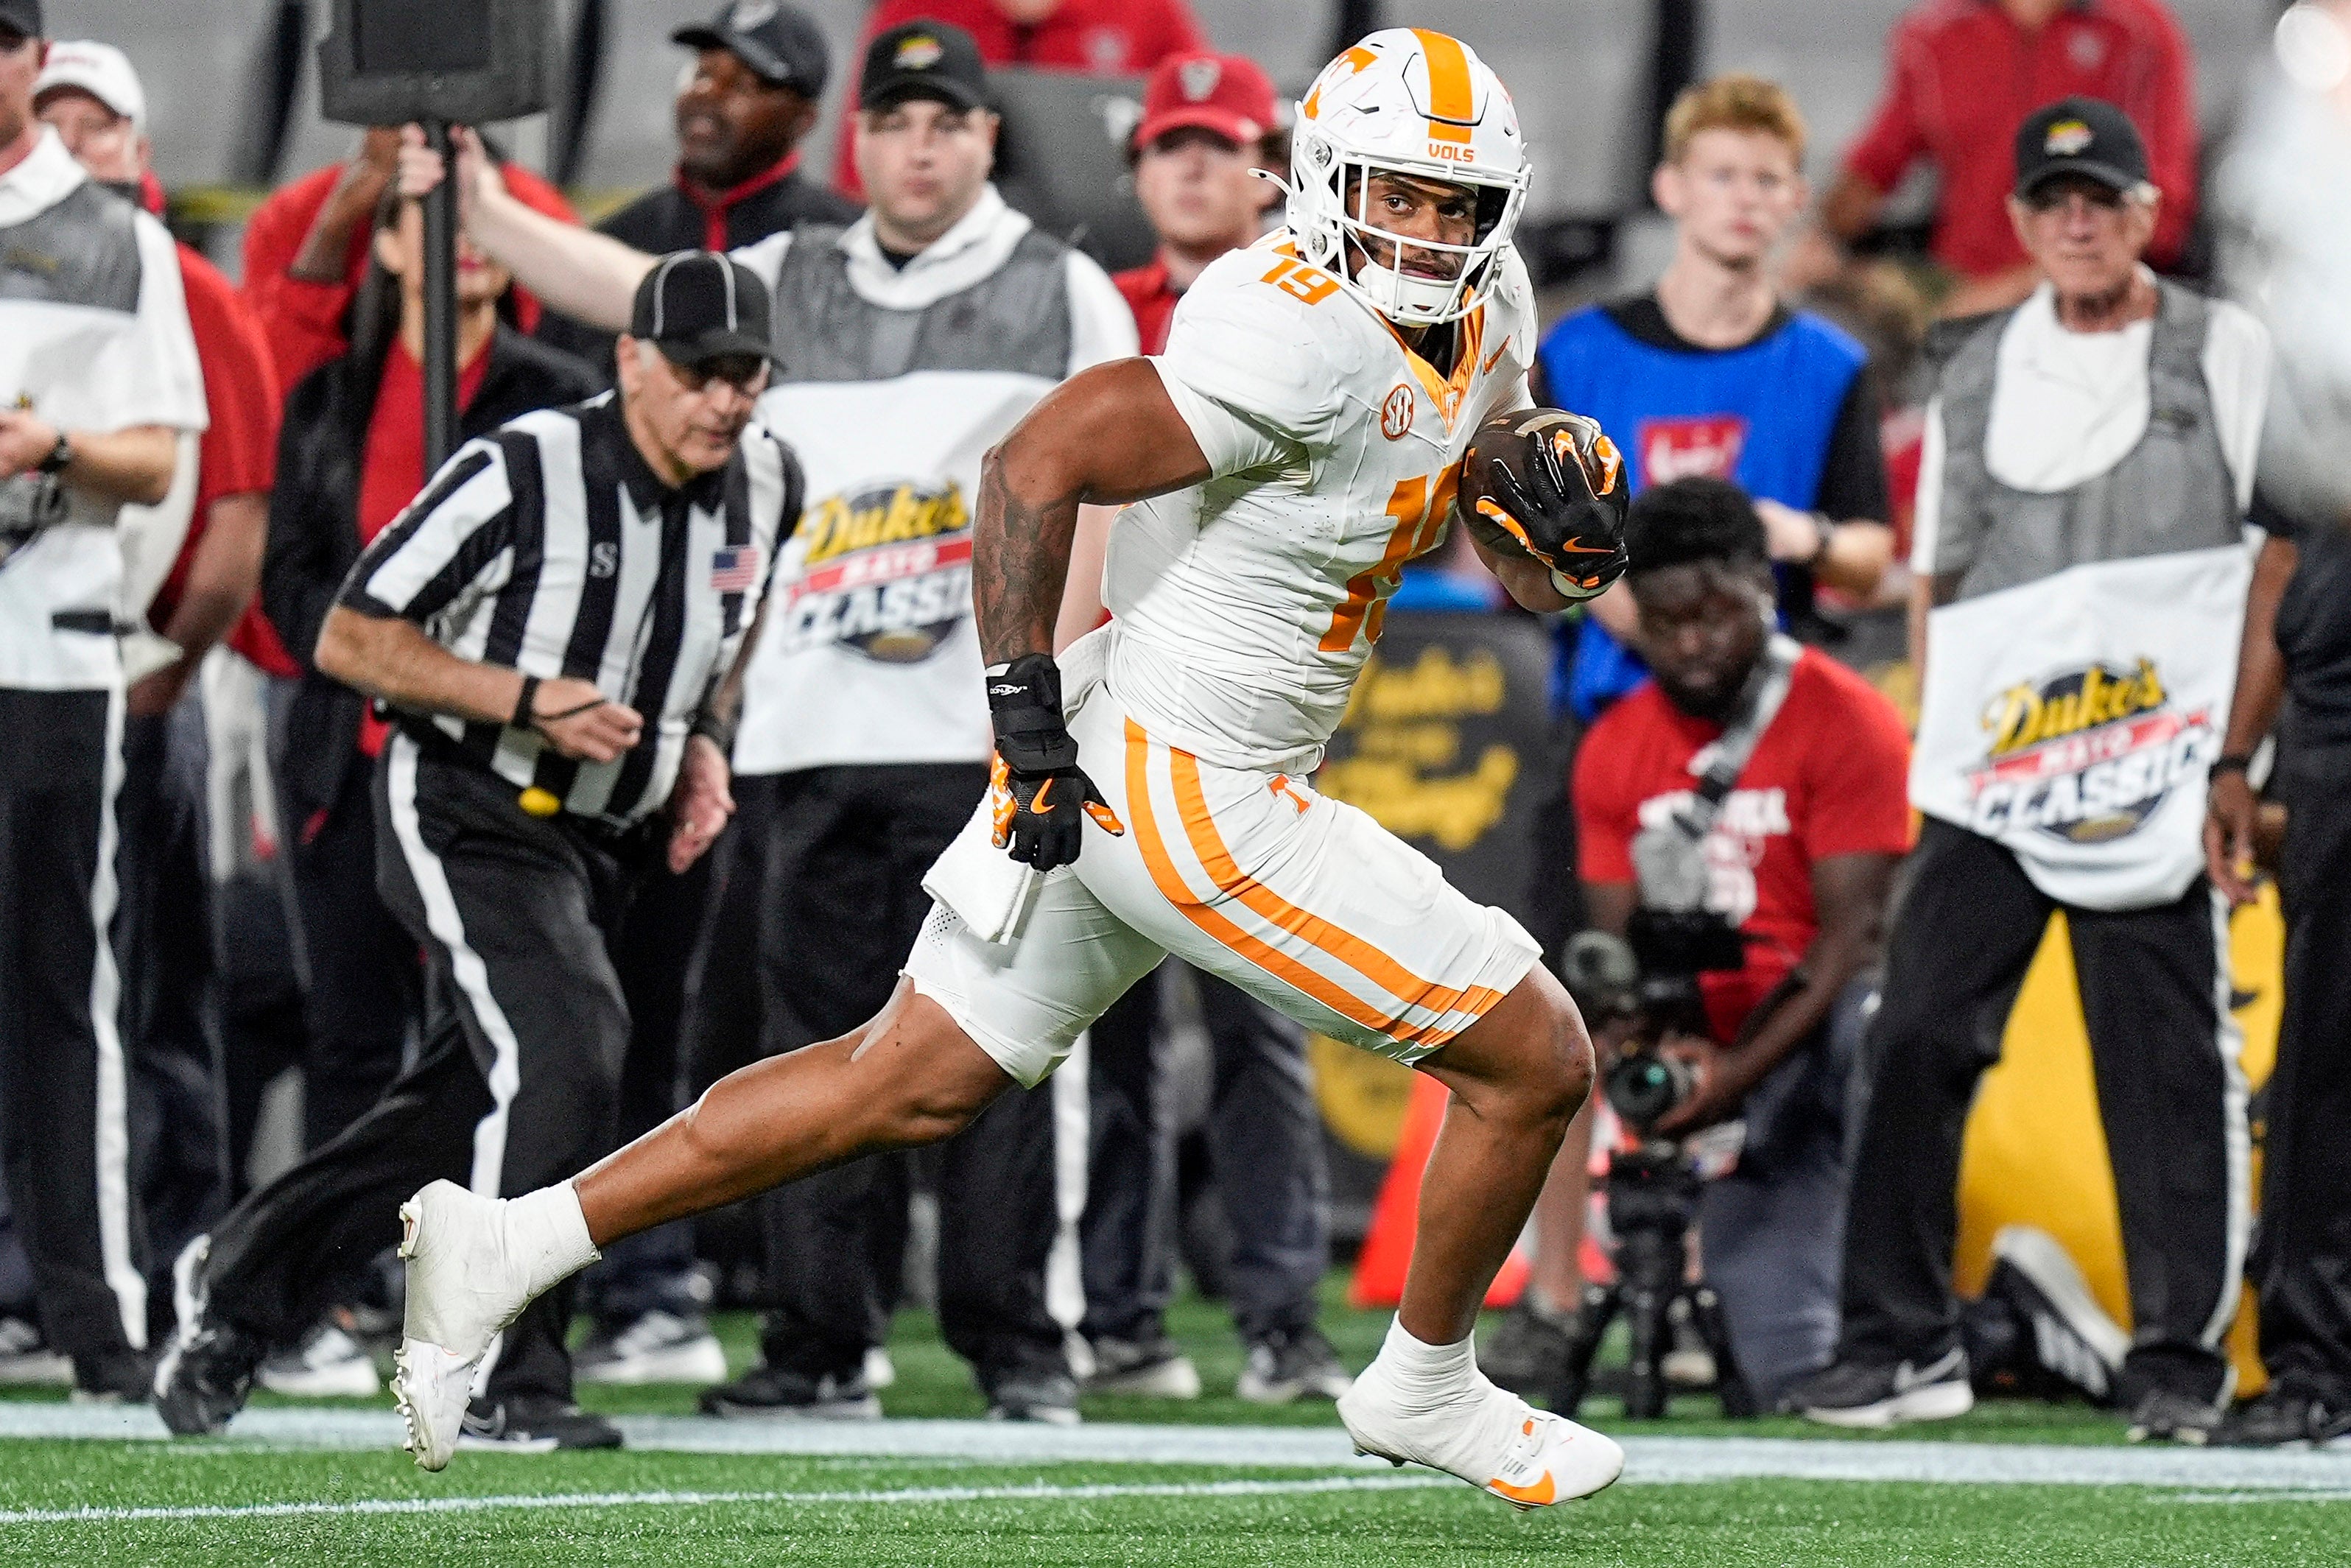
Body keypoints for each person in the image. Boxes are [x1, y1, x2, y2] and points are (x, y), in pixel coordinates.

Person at [393, 29, 1631, 1513]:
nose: (1428, 233)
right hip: (1188, 780)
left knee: (900, 1078)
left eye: (1456, 202)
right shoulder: (1288, 331)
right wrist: (1022, 718)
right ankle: (1422, 1381)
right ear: (1323, 181)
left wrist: (1551, 518)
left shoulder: (1486, 296)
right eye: (1399, 197)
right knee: (1536, 1054)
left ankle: (508, 1240)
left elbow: (1485, 483)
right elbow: (1033, 464)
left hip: (1176, 755)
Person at [400, 19, 1140, 1424]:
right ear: (857, 141)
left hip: (985, 732)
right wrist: (483, 209)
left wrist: (1049, 691)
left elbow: (1106, 481)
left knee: (1009, 1041)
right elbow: (632, 296)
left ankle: (1019, 1345)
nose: (916, 148)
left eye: (944, 123)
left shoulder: (1063, 286)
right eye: (893, 122)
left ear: (988, 140)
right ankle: (818, 1341)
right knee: (813, 1055)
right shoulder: (791, 272)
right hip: (807, 731)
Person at [155, 253, 798, 1449]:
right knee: (569, 1045)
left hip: (611, 834)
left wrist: (705, 739)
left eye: (746, 374)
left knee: (464, 1104)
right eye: (699, 372)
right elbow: (351, 633)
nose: (723, 399)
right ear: (631, 361)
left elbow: (735, 618)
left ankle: (239, 1279)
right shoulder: (525, 467)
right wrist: (523, 697)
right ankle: (502, 1368)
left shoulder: (769, 476)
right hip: (468, 802)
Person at [1788, 98, 2269, 1444]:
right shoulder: (1976, 361)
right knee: (1913, 1034)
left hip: (2160, 764)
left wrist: (2239, 753)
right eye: (2053, 201)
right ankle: (1897, 1343)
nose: (2077, 222)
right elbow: (1938, 574)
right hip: (1991, 769)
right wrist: (1941, 737)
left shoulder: (2224, 348)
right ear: (2013, 220)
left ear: (2146, 212)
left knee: (2166, 1068)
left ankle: (2176, 1361)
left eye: (2102, 199)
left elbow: (2272, 552)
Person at [219, 183, 605, 1396]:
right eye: (428, 221)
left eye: (481, 226)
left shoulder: (554, 395)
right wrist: (378, 664)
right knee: (349, 1027)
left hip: (498, 757)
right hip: (346, 749)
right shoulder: (329, 393)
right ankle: (334, 1291)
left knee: (496, 1034)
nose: (459, 245)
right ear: (385, 245)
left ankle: (484, 1285)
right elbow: (291, 574)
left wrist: (470, 681)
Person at [1076, 49, 1349, 1407]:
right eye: (1167, 145)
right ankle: (1120, 1315)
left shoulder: (1318, 309)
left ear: (1271, 171)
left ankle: (1281, 1317)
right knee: (1106, 1023)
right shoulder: (1093, 307)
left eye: (1218, 145)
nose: (1190, 169)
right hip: (1113, 693)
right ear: (1136, 167)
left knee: (1263, 1015)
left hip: (1247, 707)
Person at [32, 37, 284, 1361]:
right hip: (47, 666)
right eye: (56, 119)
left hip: (133, 673)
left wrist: (167, 669)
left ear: (140, 150)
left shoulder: (181, 285)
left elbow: (234, 509)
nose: (76, 145)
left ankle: (170, 1256)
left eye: (100, 125)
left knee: (150, 987)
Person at [1567, 478, 1910, 1410]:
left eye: (1714, 614)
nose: (1690, 642)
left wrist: (1731, 1079)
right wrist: (1647, 1055)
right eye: (1666, 621)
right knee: (1779, 1370)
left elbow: (1849, 946)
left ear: (1764, 586)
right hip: (1710, 1041)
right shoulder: (1613, 746)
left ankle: (1924, 1302)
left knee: (1872, 1022)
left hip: (1809, 1042)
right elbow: (1620, 955)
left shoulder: (1848, 717)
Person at [0, 0, 206, 1401]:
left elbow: (160, 457)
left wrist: (47, 441)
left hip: (48, 649)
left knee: (61, 988)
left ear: (33, 58)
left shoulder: (116, 236)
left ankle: (98, 1314)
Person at [2205, 7, 2351, 1447]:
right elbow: (2284, 542)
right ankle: (2312, 1353)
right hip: (2339, 705)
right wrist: (2233, 751)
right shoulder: (2315, 216)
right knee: (2326, 1042)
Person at [1787, 0, 2198, 317]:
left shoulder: (2138, 33)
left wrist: (2017, 288)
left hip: (2091, 292)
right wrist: (1818, 239)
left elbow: (2161, 214)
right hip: (1958, 283)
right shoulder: (1934, 34)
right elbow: (1874, 167)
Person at [540, 0, 860, 377]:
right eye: (701, 73)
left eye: (741, 85)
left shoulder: (848, 243)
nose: (707, 94)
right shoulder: (616, 242)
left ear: (803, 120)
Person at [239, 128, 577, 395]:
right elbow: (275, 393)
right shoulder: (291, 218)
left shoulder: (529, 205)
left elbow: (567, 347)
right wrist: (335, 225)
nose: (464, 241)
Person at [830, 0, 1206, 200]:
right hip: (946, 235)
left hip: (1114, 243)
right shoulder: (914, 10)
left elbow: (1202, 117)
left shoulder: (1148, 11)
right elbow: (863, 167)